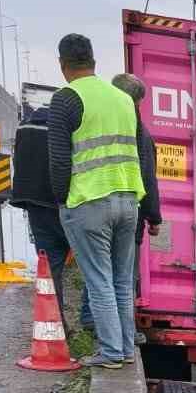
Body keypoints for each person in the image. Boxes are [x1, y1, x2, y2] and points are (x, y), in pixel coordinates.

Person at [48, 32, 145, 369]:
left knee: (99, 279)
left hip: (89, 200)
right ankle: (126, 348)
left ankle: (111, 352)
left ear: (63, 66)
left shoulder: (66, 98)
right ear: (94, 62)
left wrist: (62, 201)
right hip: (128, 199)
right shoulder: (122, 99)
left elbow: (59, 160)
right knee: (121, 279)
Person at [76, 73, 162, 339]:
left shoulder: (95, 122)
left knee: (98, 265)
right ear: (138, 102)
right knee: (124, 276)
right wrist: (154, 216)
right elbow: (146, 175)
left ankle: (90, 315)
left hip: (92, 201)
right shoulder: (137, 130)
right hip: (127, 210)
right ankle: (123, 336)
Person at [10, 105, 74, 328]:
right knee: (92, 264)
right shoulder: (63, 126)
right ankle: (91, 321)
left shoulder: (25, 125)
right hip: (61, 201)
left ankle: (56, 324)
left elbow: (18, 162)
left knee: (49, 265)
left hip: (35, 203)